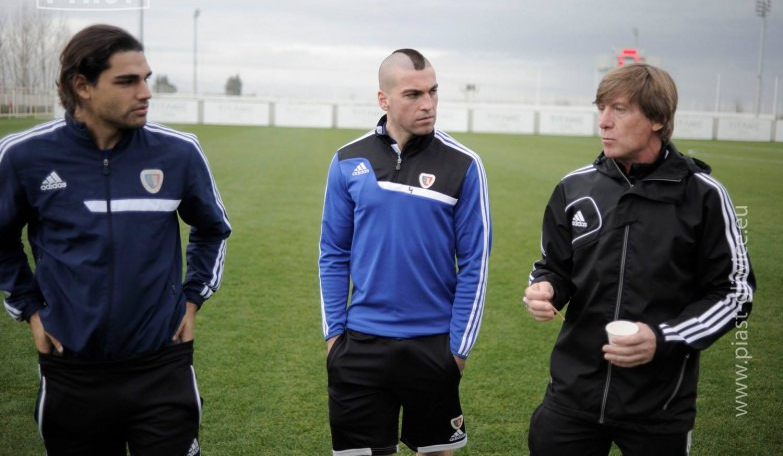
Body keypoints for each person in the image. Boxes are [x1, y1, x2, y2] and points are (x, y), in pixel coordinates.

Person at [0, 24, 231, 456]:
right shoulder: (23, 156)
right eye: (127, 81)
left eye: (145, 78)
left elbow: (213, 228)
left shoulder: (178, 152)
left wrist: (193, 298)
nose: (145, 92)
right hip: (72, 371)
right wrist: (29, 308)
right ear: (82, 86)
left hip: (162, 365)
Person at [523, 63, 755, 456]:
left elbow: (735, 294)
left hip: (659, 405)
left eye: (619, 109)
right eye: (601, 108)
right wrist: (545, 288)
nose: (603, 122)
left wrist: (663, 338)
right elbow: (554, 266)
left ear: (658, 119)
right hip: (572, 396)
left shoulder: (703, 195)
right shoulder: (574, 187)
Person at [318, 49, 492, 456]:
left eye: (433, 91)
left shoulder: (464, 164)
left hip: (432, 344)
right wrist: (334, 338)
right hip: (360, 342)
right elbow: (333, 252)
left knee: (435, 451)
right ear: (384, 100)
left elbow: (475, 263)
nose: (427, 103)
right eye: (413, 94)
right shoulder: (347, 160)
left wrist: (457, 352)